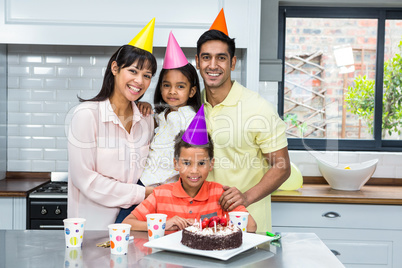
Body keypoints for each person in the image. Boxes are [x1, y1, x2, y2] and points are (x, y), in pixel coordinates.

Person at [195, 9, 291, 232]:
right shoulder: (192, 106)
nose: (213, 65)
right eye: (206, 57)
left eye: (221, 58)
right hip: (203, 224)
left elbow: (282, 166)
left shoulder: (258, 108)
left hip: (248, 227)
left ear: (233, 63)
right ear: (198, 62)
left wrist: (245, 197)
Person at [67, 18, 157, 230]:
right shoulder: (87, 115)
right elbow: (85, 179)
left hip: (135, 227)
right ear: (115, 68)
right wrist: (142, 193)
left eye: (147, 75)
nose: (139, 81)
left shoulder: (146, 119)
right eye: (133, 71)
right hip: (93, 230)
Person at [122, 108, 257, 232]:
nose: (194, 170)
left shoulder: (221, 194)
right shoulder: (160, 194)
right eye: (186, 163)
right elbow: (127, 224)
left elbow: (251, 226)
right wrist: (164, 224)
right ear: (176, 164)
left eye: (201, 163)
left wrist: (205, 225)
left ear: (211, 164)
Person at [114, 32, 202, 223]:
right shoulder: (162, 115)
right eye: (166, 85)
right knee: (129, 225)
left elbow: (192, 153)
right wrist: (143, 106)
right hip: (145, 183)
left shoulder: (190, 118)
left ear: (192, 91)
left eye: (180, 87)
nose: (172, 91)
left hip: (167, 186)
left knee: (140, 227)